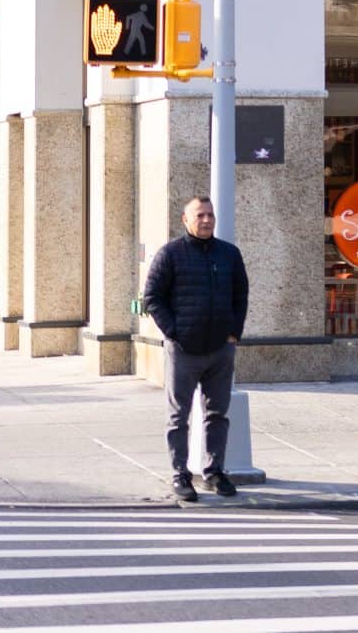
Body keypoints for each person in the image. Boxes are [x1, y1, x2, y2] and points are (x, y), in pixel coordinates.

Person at [141, 195, 249, 501]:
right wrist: (174, 332)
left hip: (220, 349)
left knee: (217, 413)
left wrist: (233, 334)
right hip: (184, 350)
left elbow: (240, 295)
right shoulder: (171, 254)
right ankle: (181, 475)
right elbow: (152, 296)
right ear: (185, 220)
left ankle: (214, 472)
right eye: (200, 215)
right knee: (179, 416)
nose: (206, 220)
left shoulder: (229, 254)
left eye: (210, 215)